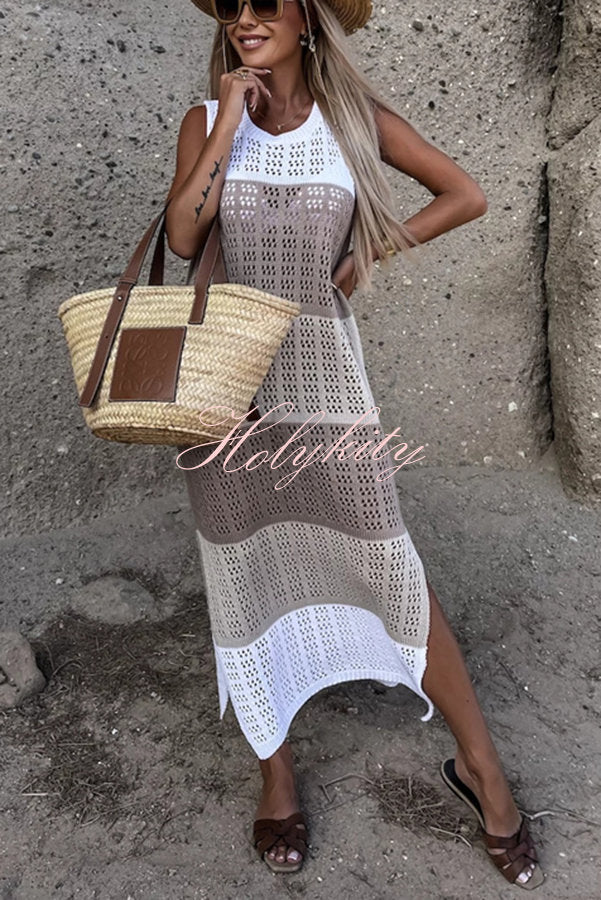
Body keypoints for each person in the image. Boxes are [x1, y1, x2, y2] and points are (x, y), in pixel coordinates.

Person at [164, 0, 544, 889]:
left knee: (387, 563)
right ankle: (276, 774)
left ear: (307, 16)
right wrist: (228, 120)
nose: (245, 17)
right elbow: (183, 237)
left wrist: (367, 253)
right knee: (244, 575)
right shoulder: (206, 119)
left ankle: (480, 768)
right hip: (229, 397)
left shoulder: (352, 121)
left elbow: (464, 194)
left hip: (326, 391)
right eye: (232, 4)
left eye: (265, 1)